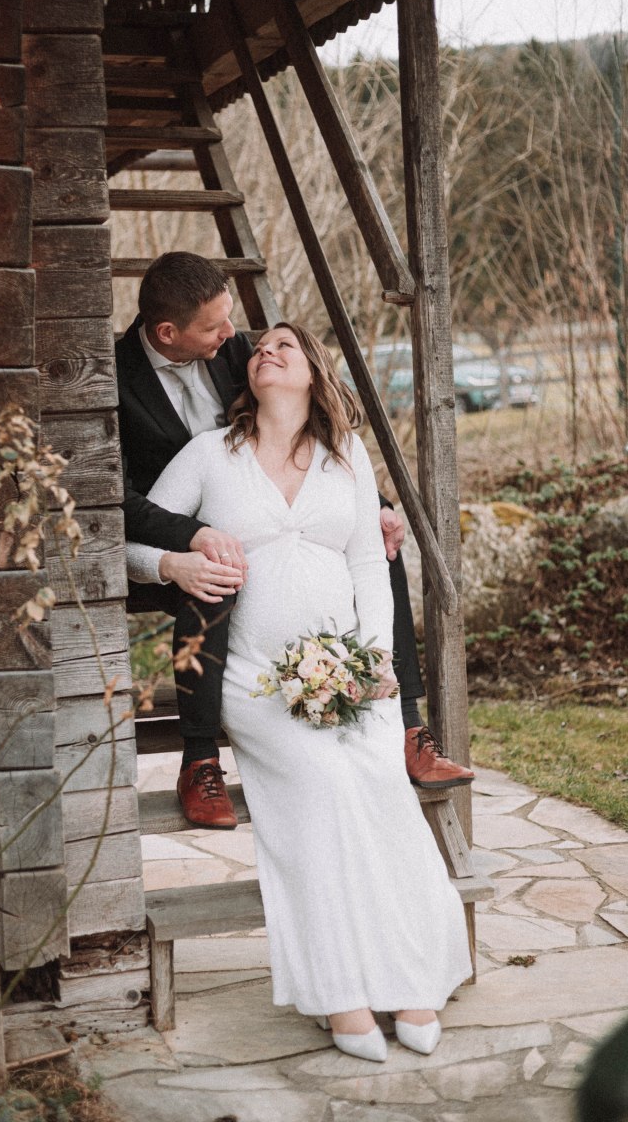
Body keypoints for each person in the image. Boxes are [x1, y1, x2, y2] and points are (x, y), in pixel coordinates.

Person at [126, 322, 472, 1057]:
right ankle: (339, 992)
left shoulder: (347, 457)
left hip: (350, 670)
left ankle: (412, 975)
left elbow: (369, 565)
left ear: (313, 371)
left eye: (284, 345)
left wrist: (376, 661)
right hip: (256, 680)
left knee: (379, 787)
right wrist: (173, 566)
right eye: (258, 349)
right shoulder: (209, 456)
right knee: (318, 789)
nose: (265, 352)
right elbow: (129, 538)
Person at [116, 252, 473, 830]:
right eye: (216, 326)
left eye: (234, 323)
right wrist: (184, 548)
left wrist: (375, 506)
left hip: (254, 511)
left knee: (379, 549)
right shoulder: (112, 380)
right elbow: (118, 500)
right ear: (167, 333)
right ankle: (200, 759)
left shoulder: (238, 349)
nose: (236, 336)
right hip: (176, 532)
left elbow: (305, 425)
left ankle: (409, 724)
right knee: (215, 576)